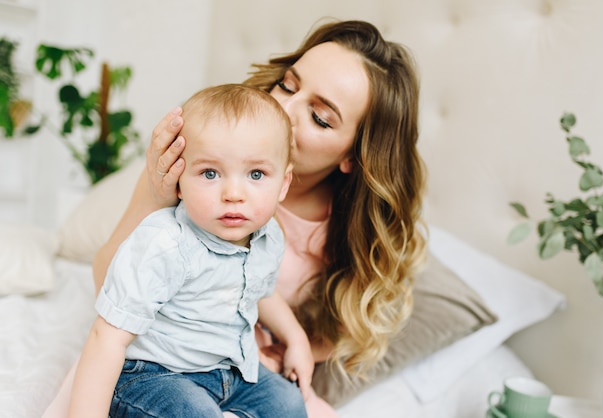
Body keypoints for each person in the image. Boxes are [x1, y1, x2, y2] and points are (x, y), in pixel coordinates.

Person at [45, 18, 427, 418]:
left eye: (319, 117)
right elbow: (111, 289)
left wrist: (284, 347)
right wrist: (156, 197)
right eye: (288, 86)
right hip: (157, 362)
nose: (284, 109)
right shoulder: (195, 164)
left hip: (238, 370)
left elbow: (295, 306)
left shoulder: (326, 234)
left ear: (354, 154)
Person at [68, 84, 312, 418]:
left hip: (228, 373)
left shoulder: (267, 237)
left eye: (256, 174)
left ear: (283, 184)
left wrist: (296, 339)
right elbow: (105, 337)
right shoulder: (166, 243)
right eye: (210, 173)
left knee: (288, 403)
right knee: (194, 412)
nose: (234, 193)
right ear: (179, 178)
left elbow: (261, 293)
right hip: (152, 374)